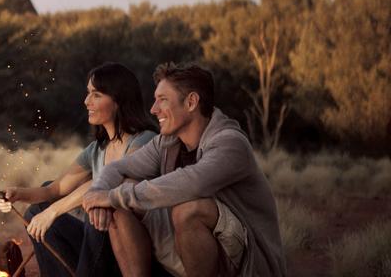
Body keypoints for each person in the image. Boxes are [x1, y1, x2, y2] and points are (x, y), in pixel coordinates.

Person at [83, 63, 285, 277]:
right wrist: (100, 194)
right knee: (123, 197)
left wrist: (112, 197)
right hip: (190, 251)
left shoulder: (230, 143)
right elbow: (119, 167)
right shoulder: (167, 142)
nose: (153, 109)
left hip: (249, 262)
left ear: (191, 102)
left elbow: (191, 182)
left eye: (163, 100)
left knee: (188, 210)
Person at [0, 62, 158, 277]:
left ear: (118, 100)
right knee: (37, 209)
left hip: (131, 252)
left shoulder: (144, 140)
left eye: (96, 95)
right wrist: (17, 194)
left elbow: (114, 184)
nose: (86, 101)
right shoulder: (97, 150)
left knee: (96, 206)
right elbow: (54, 189)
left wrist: (54, 212)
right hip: (98, 249)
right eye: (88, 93)